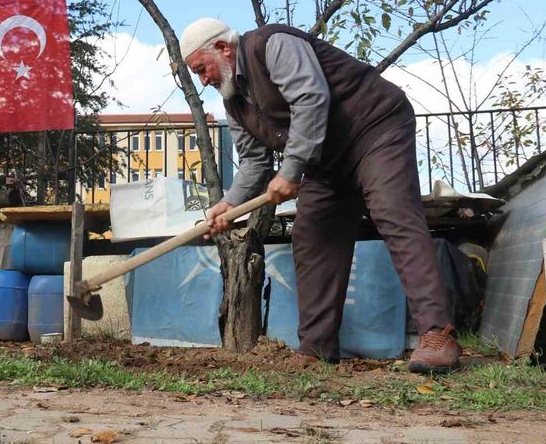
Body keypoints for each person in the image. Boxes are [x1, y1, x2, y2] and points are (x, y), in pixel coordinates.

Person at [179, 18, 461, 373]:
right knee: (312, 235)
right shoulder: (235, 104)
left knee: (394, 215)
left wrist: (290, 170)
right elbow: (253, 162)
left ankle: (438, 334)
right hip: (326, 160)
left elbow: (310, 98)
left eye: (201, 69)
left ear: (223, 48)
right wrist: (229, 204)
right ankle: (317, 348)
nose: (203, 80)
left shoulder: (272, 44)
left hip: (373, 129)